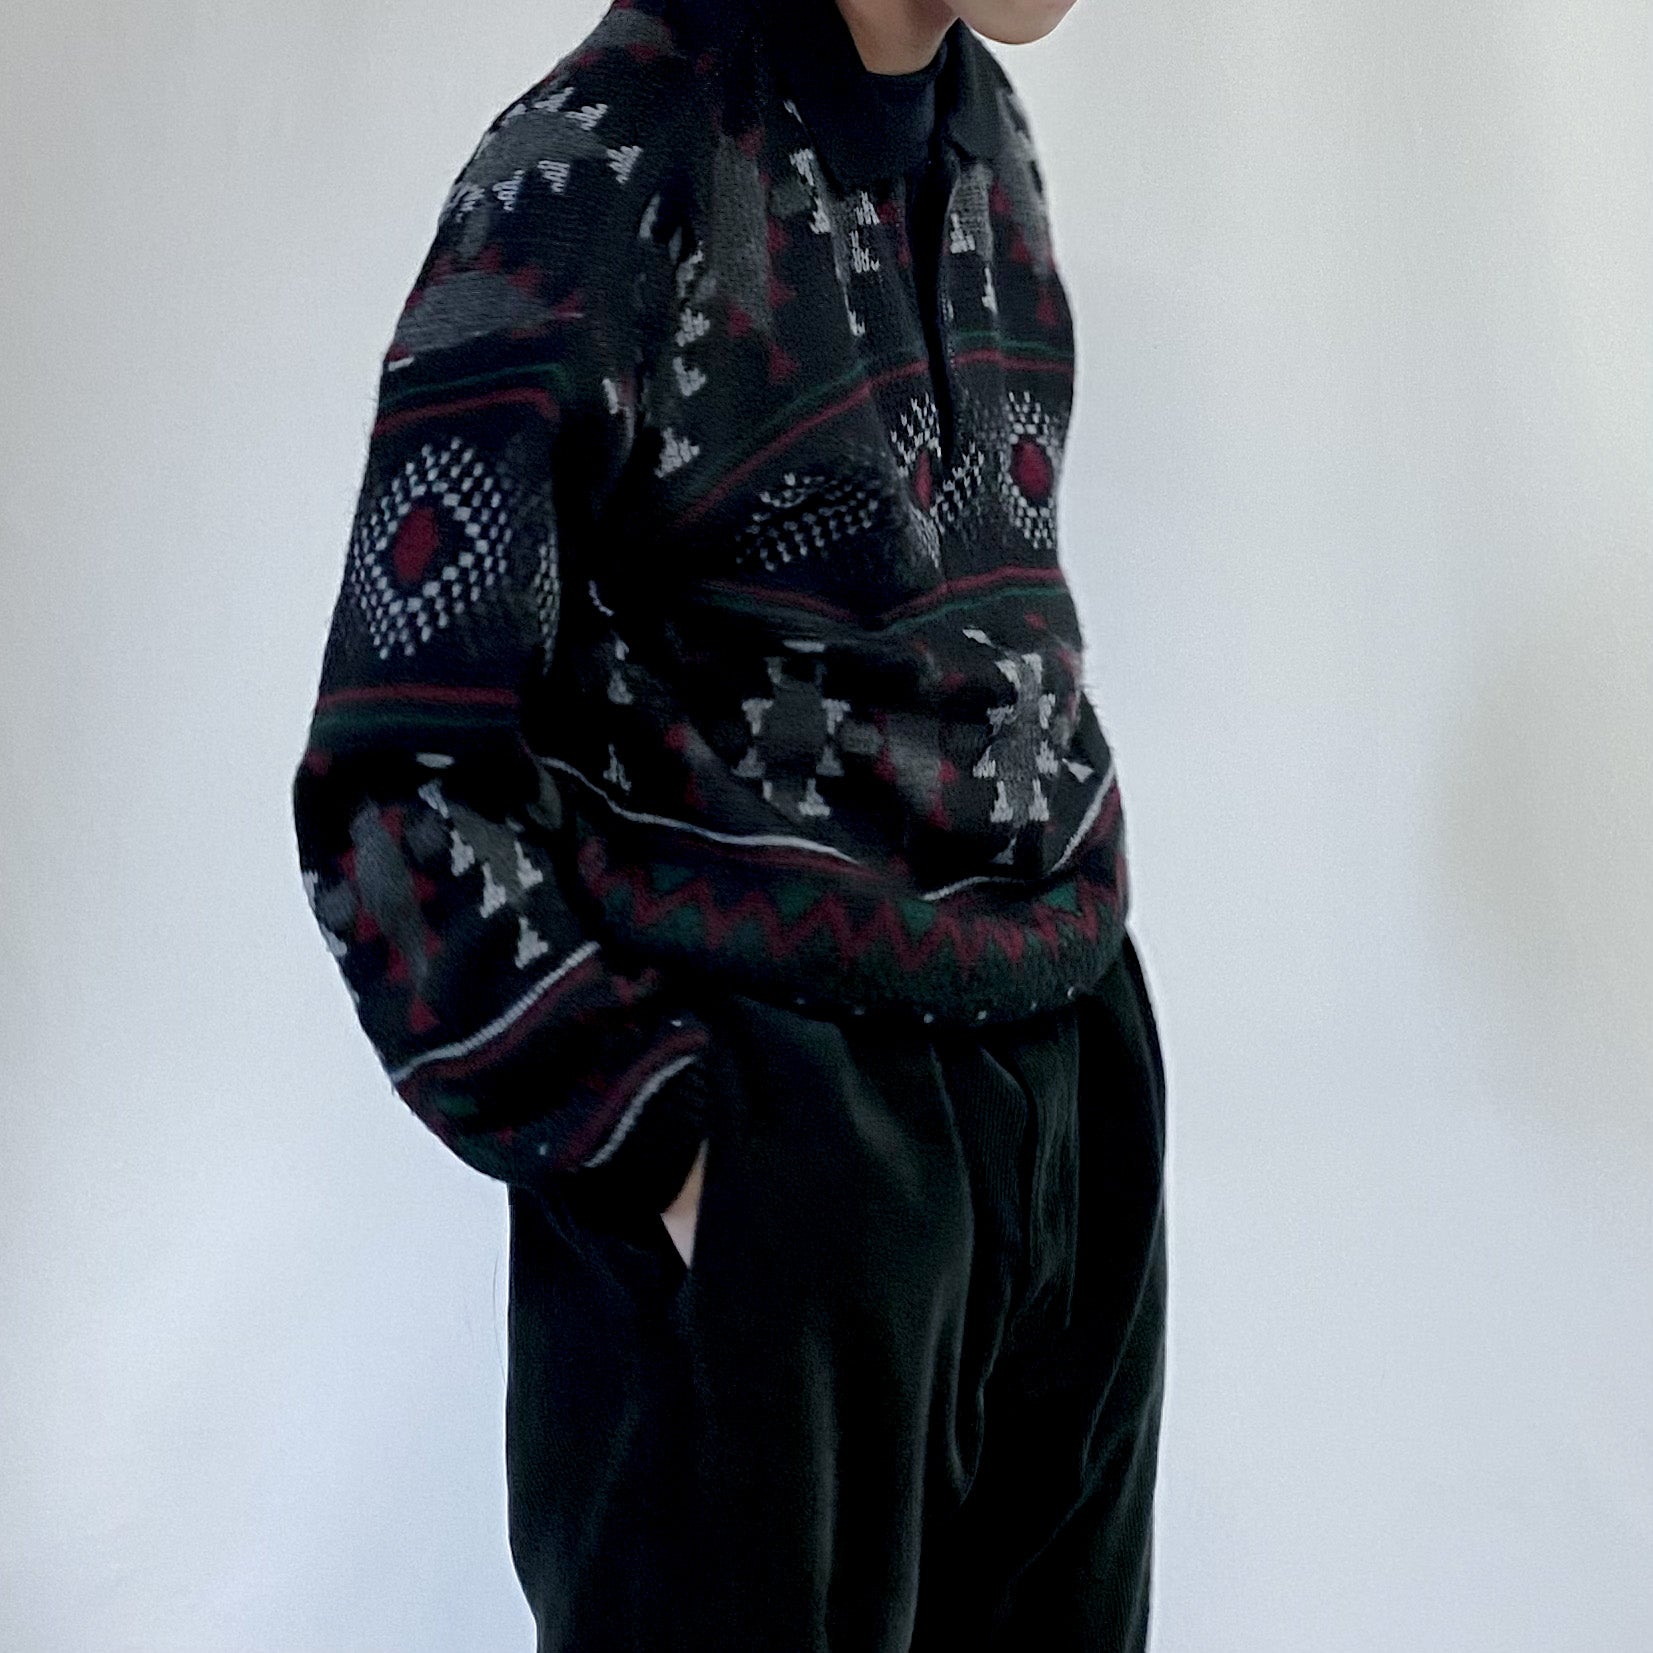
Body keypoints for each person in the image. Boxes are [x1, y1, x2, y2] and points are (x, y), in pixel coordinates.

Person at [290, 0, 1167, 1645]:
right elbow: (395, 777)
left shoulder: (984, 130)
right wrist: (665, 1148)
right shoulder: (599, 163)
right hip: (781, 1132)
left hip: (1066, 1083)